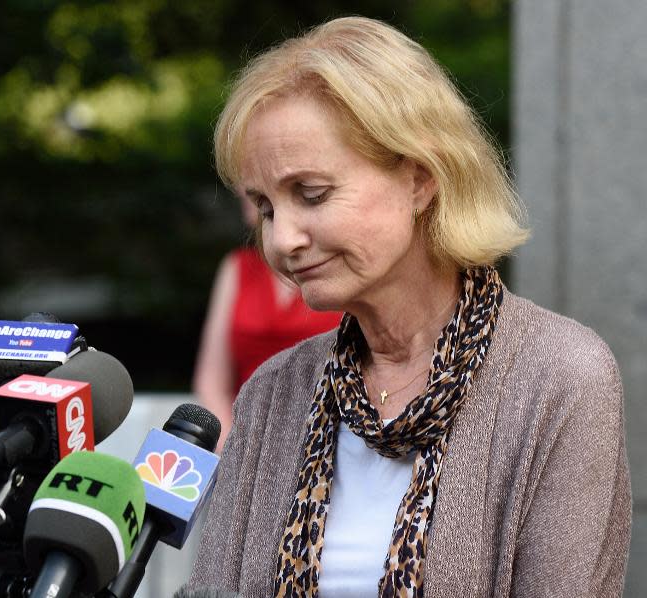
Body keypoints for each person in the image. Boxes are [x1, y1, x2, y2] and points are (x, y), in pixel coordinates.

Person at [188, 16, 631, 598]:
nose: (282, 239)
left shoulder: (562, 377)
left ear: (419, 180)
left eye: (312, 194)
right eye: (266, 208)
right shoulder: (274, 392)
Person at [193, 197, 342, 451]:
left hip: (329, 440)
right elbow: (212, 381)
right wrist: (235, 449)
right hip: (245, 437)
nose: (241, 191)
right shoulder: (238, 266)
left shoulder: (339, 269)